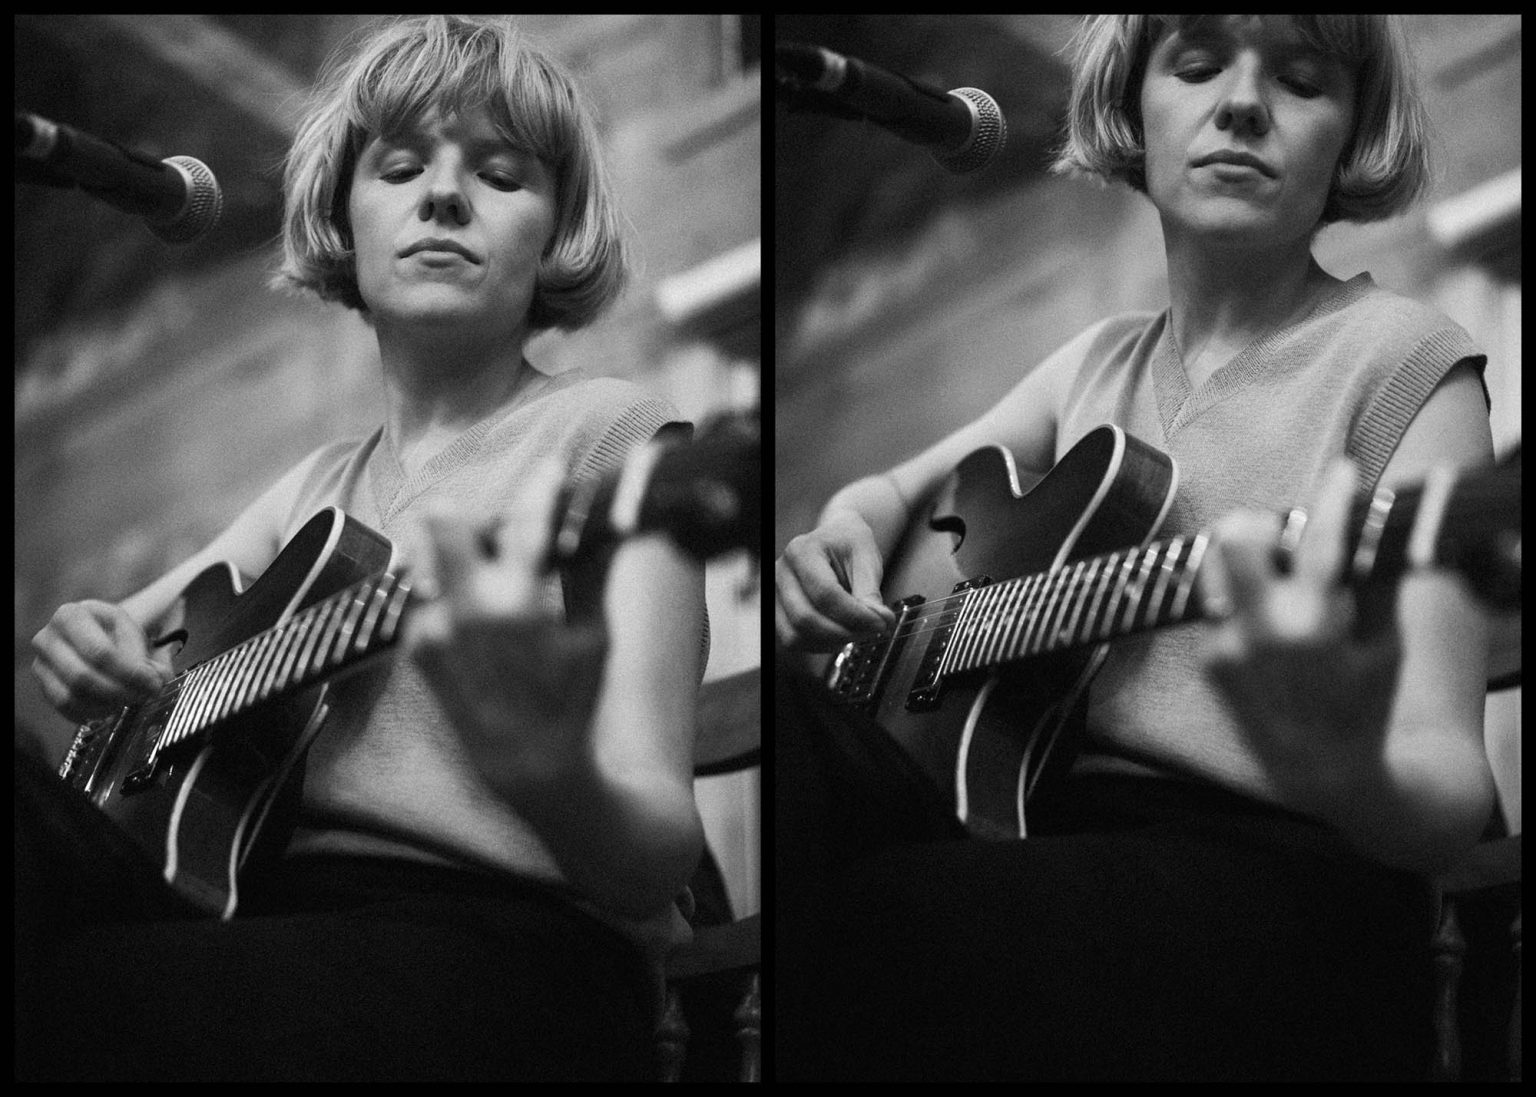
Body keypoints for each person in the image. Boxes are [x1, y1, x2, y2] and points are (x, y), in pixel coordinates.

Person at [775, 14, 1497, 1081]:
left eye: (1300, 81)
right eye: (1198, 66)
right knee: (796, 730)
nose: (1243, 104)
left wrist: (1337, 756)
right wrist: (851, 518)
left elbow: (1448, 794)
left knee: (889, 912)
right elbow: (899, 485)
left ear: (1352, 137)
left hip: (1279, 882)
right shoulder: (1093, 364)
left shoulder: (1406, 361)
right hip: (1043, 845)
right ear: (1133, 110)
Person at [21, 15, 708, 1081]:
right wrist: (89, 651)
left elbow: (654, 853)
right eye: (399, 167)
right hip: (252, 914)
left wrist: (541, 760)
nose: (443, 196)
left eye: (499, 174)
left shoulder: (615, 439)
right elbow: (115, 661)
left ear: (555, 234)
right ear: (345, 214)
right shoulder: (311, 492)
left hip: (509, 951)